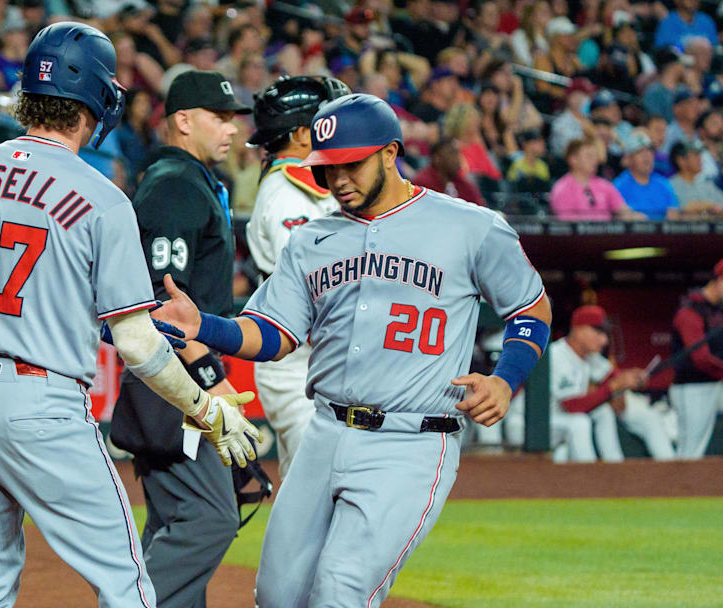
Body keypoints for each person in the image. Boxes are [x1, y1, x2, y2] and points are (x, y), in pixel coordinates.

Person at [0, 23, 258, 607]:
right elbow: (136, 342)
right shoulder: (102, 195)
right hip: (43, 407)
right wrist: (206, 407)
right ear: (101, 101)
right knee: (127, 586)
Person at [152, 93, 552, 607]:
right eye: (326, 169)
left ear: (390, 152)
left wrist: (505, 377)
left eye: (351, 164)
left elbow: (531, 309)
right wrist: (202, 325)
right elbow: (271, 334)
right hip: (325, 433)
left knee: (341, 589)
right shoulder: (314, 240)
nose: (338, 180)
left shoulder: (470, 227)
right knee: (277, 596)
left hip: (410, 440)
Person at [109, 68, 252, 608]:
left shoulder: (180, 180)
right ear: (184, 121)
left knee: (173, 520)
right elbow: (163, 307)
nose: (232, 129)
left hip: (171, 379)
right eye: (220, 117)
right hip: (175, 382)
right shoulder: (174, 186)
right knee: (211, 518)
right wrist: (209, 380)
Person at [244, 75, 349, 478]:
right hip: (296, 365)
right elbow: (317, 281)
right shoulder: (288, 192)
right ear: (304, 134)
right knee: (323, 490)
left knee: (303, 502)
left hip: (316, 362)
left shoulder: (305, 187)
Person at [549, 305, 675, 463]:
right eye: (598, 332)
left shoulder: (591, 356)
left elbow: (615, 376)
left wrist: (633, 378)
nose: (604, 340)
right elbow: (572, 406)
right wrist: (613, 387)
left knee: (646, 417)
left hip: (568, 420)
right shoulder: (557, 356)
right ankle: (590, 476)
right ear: (578, 329)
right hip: (543, 422)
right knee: (579, 423)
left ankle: (666, 469)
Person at [669, 259, 723, 459]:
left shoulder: (718, 309)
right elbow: (701, 359)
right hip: (693, 388)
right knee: (691, 451)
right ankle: (676, 489)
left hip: (714, 384)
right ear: (719, 280)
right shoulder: (690, 310)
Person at [549, 137, 644, 221]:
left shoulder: (605, 185)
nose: (594, 160)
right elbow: (566, 226)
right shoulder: (562, 188)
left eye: (595, 156)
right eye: (589, 156)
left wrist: (633, 217)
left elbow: (624, 211)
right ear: (573, 159)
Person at [613, 131, 681, 220]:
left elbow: (674, 214)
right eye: (640, 152)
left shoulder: (664, 183)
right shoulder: (618, 186)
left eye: (650, 151)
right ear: (628, 159)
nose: (647, 156)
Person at [412, 137, 485, 205]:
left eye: (458, 153)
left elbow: (479, 209)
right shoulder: (422, 185)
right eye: (452, 153)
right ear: (437, 158)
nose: (457, 159)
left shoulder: (464, 185)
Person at [668, 141, 723, 217]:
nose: (700, 159)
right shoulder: (669, 186)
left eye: (700, 155)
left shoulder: (707, 185)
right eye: (696, 155)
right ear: (681, 160)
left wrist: (707, 206)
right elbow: (671, 214)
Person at [653, 0, 717, 49]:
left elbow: (714, 47)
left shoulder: (706, 20)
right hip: (679, 63)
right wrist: (685, 49)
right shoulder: (667, 23)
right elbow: (664, 50)